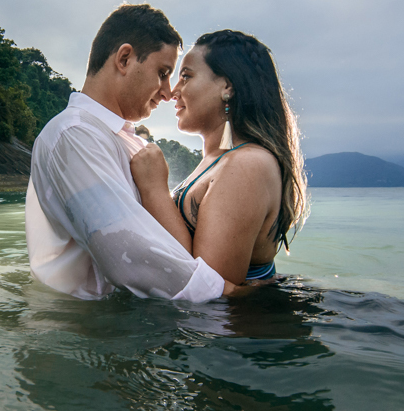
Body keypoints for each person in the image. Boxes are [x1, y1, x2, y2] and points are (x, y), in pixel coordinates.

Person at [26, 4, 233, 302]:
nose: (166, 92)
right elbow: (127, 254)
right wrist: (230, 294)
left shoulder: (119, 140)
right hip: (83, 334)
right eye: (162, 73)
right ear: (124, 59)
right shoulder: (74, 136)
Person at [129, 30, 308, 286]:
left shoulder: (247, 165)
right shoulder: (219, 160)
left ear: (227, 86)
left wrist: (154, 189)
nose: (172, 92)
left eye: (186, 76)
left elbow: (210, 290)